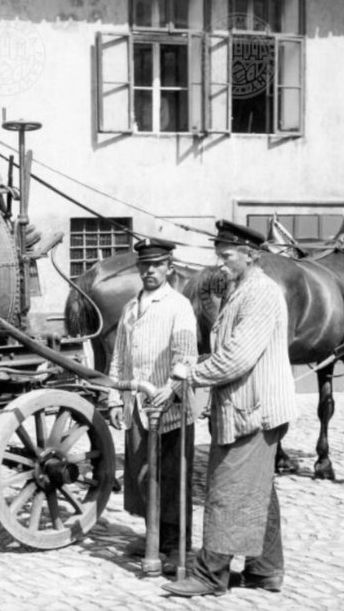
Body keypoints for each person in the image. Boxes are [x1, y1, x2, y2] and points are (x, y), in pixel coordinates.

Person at [159, 220, 299, 597]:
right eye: (217, 256)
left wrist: (192, 373)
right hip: (245, 405)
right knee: (257, 489)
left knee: (227, 486)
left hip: (254, 409)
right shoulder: (241, 289)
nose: (219, 263)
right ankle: (266, 569)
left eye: (227, 256)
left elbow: (237, 358)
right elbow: (230, 351)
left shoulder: (261, 294)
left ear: (251, 255)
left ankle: (211, 574)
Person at [109, 237, 197, 574]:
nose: (149, 271)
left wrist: (172, 387)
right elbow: (119, 357)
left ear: (168, 268)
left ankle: (177, 547)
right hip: (137, 409)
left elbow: (186, 355)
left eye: (156, 265)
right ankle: (153, 537)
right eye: (144, 265)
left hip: (170, 410)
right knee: (143, 476)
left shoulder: (178, 306)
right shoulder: (131, 308)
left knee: (173, 479)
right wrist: (115, 398)